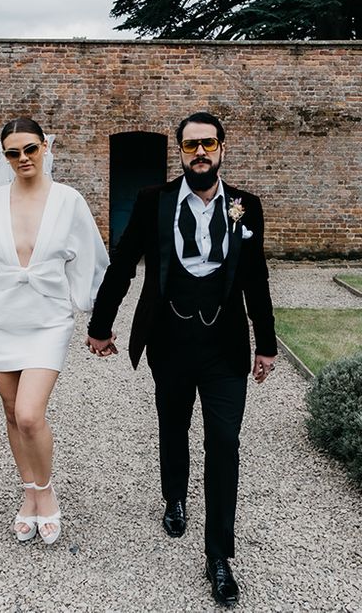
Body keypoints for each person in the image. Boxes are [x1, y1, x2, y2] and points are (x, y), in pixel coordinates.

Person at [86, 112, 277, 606]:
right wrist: (101, 326)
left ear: (221, 149)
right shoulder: (155, 202)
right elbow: (124, 264)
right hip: (168, 339)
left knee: (225, 444)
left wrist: (267, 343)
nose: (199, 153)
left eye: (207, 144)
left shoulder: (246, 206)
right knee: (173, 425)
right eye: (190, 145)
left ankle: (218, 556)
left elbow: (256, 277)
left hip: (226, 347)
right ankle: (174, 496)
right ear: (181, 152)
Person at [0, 117, 109, 545]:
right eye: (13, 153)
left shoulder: (68, 201)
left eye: (31, 149)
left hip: (48, 320)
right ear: (4, 157)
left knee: (29, 414)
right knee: (9, 412)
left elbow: (91, 261)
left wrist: (96, 319)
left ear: (45, 148)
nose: (23, 159)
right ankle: (28, 494)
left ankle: (47, 491)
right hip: (2, 318)